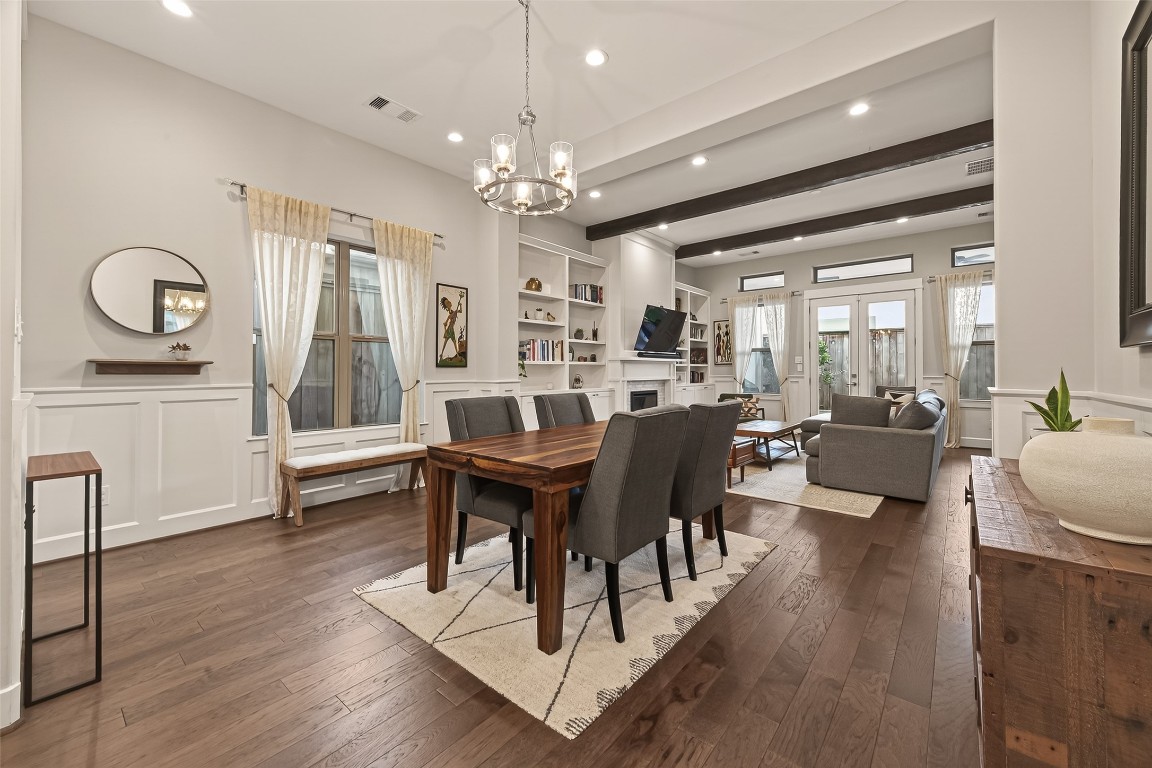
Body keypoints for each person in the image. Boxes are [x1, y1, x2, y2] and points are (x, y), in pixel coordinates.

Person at [439, 292, 465, 362]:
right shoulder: (450, 314)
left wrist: (460, 305)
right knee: (446, 342)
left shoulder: (453, 312)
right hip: (449, 329)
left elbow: (460, 311)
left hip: (451, 329)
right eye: (447, 303)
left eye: (449, 302)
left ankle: (457, 355)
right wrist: (445, 329)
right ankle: (441, 354)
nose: (449, 303)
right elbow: (445, 323)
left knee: (454, 342)